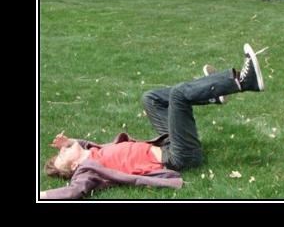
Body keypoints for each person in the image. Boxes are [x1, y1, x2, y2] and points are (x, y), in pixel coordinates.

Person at [41, 44, 266, 200]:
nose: (63, 150)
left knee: (150, 98)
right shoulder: (89, 171)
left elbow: (83, 144)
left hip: (167, 144)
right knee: (178, 94)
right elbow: (73, 192)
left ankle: (211, 94)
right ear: (74, 167)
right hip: (179, 157)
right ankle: (244, 82)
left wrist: (69, 141)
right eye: (62, 156)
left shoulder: (93, 152)